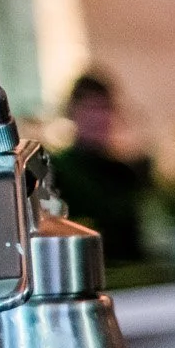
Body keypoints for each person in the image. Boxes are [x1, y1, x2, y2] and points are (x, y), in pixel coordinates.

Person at [51, 74, 151, 265]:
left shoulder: (124, 172)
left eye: (105, 108)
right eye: (91, 108)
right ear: (73, 112)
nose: (99, 118)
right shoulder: (56, 169)